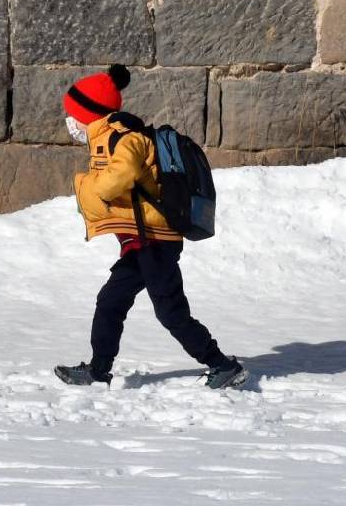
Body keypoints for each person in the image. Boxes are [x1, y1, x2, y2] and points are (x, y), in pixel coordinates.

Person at [54, 65, 248, 390]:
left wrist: (87, 187)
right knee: (110, 301)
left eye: (72, 115)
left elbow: (121, 175)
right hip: (140, 242)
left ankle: (223, 365)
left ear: (89, 114)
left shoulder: (126, 139)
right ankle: (98, 370)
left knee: (170, 311)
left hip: (155, 242)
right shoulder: (110, 137)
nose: (69, 122)